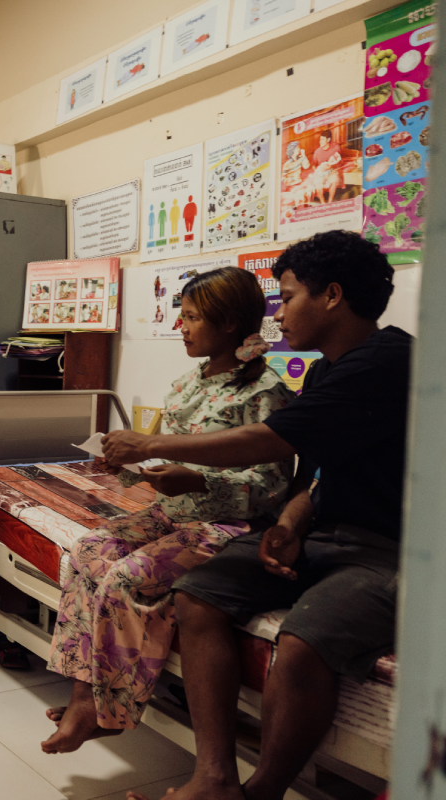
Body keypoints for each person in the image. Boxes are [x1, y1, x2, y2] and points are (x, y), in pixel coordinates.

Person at [102, 231, 409, 800]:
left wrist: (149, 445)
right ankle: (215, 777)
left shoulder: (389, 361)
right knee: (197, 596)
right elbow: (314, 473)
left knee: (300, 642)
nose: (279, 313)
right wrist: (289, 524)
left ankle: (259, 793)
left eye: (288, 296)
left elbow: (267, 442)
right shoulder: (323, 372)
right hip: (323, 535)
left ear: (333, 295)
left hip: (389, 550)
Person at [42, 267, 294, 754]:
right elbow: (170, 460)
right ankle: (83, 695)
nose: (181, 325)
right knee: (88, 552)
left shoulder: (266, 394)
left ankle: (109, 711)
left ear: (227, 324)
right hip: (172, 514)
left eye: (192, 317)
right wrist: (131, 467)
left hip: (227, 526)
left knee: (127, 578)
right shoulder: (185, 386)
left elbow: (272, 487)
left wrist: (199, 477)